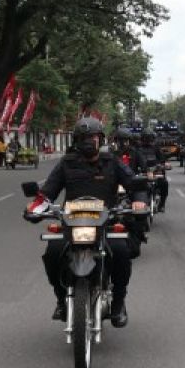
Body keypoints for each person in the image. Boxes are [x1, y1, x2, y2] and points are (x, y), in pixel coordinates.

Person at [30, 117, 146, 327]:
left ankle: (118, 303)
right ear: (76, 140)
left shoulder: (112, 162)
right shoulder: (66, 163)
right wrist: (35, 208)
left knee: (120, 251)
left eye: (92, 137)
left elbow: (134, 184)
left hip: (106, 221)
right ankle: (61, 299)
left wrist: (139, 202)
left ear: (100, 139)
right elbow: (47, 193)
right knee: (53, 253)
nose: (88, 141)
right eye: (84, 137)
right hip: (72, 223)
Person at [132, 130, 169, 212]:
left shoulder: (156, 148)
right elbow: (133, 163)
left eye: (149, 138)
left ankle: (162, 204)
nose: (147, 140)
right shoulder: (137, 149)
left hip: (155, 172)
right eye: (145, 138)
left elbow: (162, 159)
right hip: (141, 173)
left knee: (164, 183)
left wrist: (164, 165)